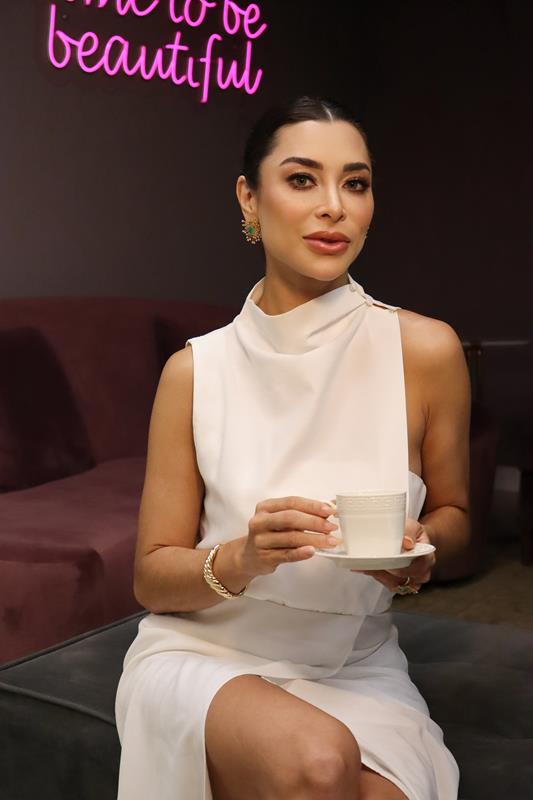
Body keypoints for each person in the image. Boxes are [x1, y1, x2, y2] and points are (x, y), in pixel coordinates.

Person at [115, 95, 470, 800]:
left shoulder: (426, 350)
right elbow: (152, 578)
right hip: (209, 652)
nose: (333, 206)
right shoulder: (195, 372)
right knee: (318, 762)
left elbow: (457, 516)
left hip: (357, 664)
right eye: (302, 179)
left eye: (355, 183)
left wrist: (421, 549)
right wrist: (243, 558)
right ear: (249, 198)